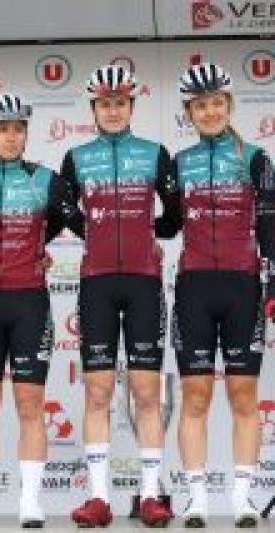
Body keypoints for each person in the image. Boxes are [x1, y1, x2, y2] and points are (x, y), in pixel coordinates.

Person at [0, 93, 82, 528]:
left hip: (30, 300)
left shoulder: (46, 180)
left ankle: (30, 502)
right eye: (3, 130)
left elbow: (84, 226)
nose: (11, 137)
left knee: (30, 404)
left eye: (18, 129)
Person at [61, 65, 179, 528]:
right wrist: (94, 232)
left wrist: (151, 232)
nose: (113, 110)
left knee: (147, 392)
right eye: (105, 104)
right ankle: (98, 498)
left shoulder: (154, 153)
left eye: (120, 103)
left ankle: (150, 495)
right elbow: (67, 211)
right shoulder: (76, 157)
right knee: (98, 391)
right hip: (97, 283)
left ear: (131, 106)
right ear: (94, 109)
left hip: (144, 281)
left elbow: (174, 214)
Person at [162, 62, 275, 528]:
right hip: (194, 287)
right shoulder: (178, 162)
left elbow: (270, 226)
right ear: (188, 112)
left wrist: (273, 283)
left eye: (215, 103)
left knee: (244, 396)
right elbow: (169, 223)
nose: (209, 111)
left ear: (228, 105)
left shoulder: (257, 159)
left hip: (242, 286)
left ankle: (243, 500)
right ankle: (197, 500)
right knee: (195, 396)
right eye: (199, 105)